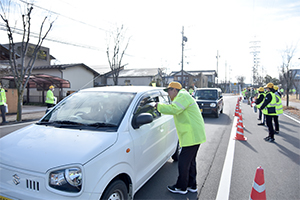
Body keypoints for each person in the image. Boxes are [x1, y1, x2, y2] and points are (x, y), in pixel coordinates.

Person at [154, 81, 206, 194]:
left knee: (183, 161)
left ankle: (181, 187)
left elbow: (174, 109)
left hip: (191, 135)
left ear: (174, 90)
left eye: (169, 90)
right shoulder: (184, 96)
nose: (168, 93)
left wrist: (157, 106)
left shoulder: (182, 95)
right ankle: (192, 185)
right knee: (190, 161)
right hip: (194, 134)